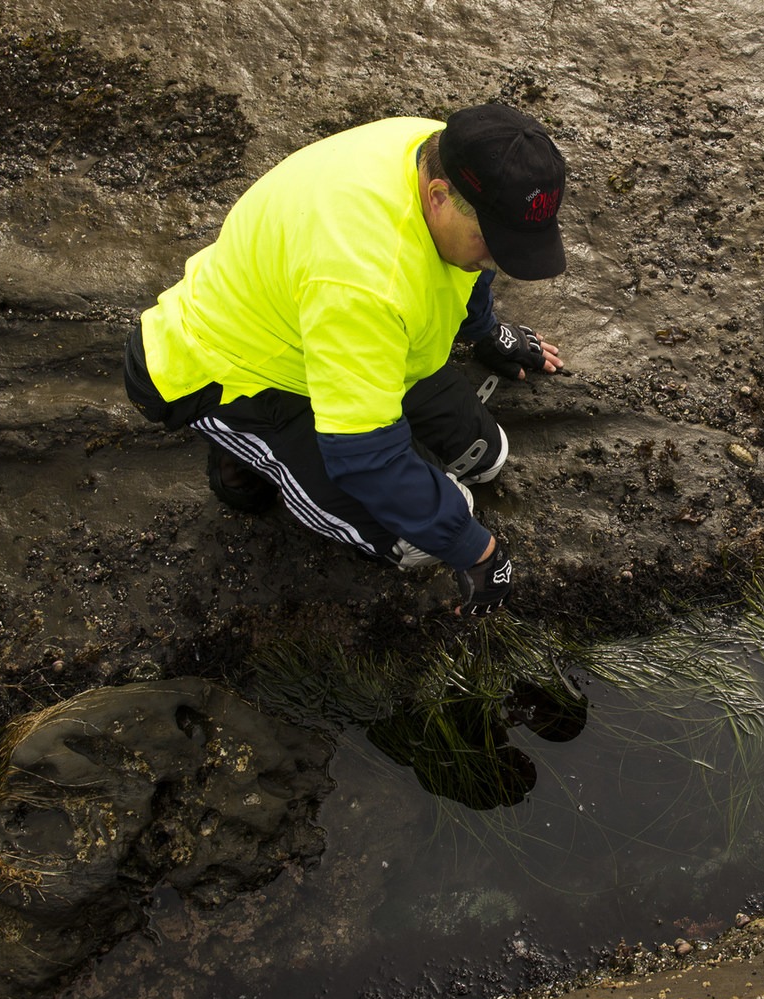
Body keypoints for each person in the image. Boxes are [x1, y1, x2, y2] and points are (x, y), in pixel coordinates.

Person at [122, 103, 568, 615]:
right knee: (426, 537)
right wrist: (476, 552)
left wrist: (486, 332)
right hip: (226, 368)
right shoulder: (364, 281)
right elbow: (364, 456)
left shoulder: (447, 151)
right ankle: (242, 454)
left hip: (323, 323)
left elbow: (476, 268)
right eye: (492, 243)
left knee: (486, 459)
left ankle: (294, 443)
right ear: (439, 197)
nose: (498, 260)